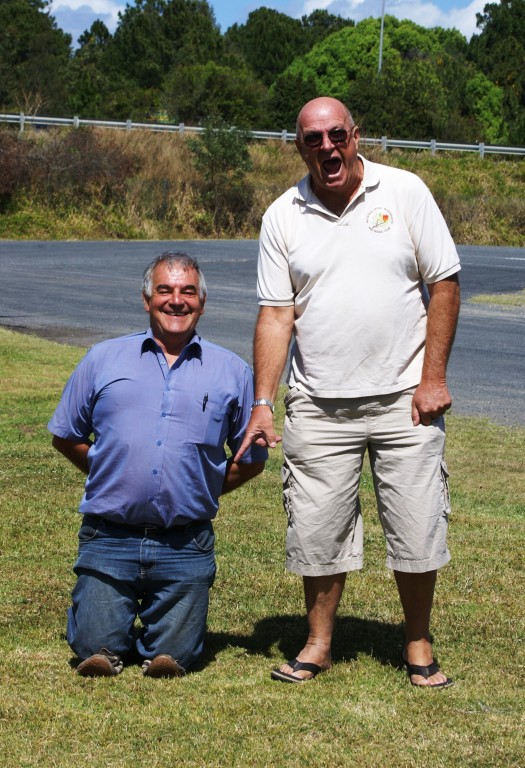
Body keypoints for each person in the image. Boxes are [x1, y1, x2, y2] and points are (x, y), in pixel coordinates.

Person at [235, 97, 460, 688]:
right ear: (299, 146)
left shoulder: (404, 191)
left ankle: (417, 641)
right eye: (313, 139)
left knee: (416, 524)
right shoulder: (283, 215)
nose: (327, 147)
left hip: (405, 400)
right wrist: (264, 402)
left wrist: (433, 378)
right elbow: (276, 314)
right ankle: (318, 643)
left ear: (355, 135)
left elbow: (444, 283)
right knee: (316, 528)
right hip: (318, 403)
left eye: (337, 134)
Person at [49, 252, 266, 678]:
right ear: (147, 299)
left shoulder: (233, 371)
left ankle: (162, 632)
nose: (176, 300)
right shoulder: (102, 359)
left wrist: (203, 485)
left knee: (174, 656)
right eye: (165, 290)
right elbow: (66, 435)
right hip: (109, 536)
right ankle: (105, 627)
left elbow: (251, 459)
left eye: (188, 292)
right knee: (93, 648)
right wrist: (108, 469)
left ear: (202, 303)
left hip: (185, 543)